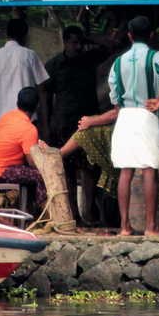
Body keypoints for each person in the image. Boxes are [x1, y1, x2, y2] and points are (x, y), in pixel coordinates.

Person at [43, 22, 124, 223]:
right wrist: (46, 125)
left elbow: (112, 45)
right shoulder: (54, 65)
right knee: (67, 170)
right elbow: (44, 96)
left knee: (90, 167)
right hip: (64, 123)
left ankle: (90, 212)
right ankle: (73, 215)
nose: (77, 47)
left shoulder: (89, 58)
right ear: (64, 42)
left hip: (88, 123)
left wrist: (88, 39)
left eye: (80, 42)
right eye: (73, 43)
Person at [106, 16, 159, 235]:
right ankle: (151, 227)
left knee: (126, 170)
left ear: (129, 35)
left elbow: (113, 90)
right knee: (149, 170)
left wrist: (119, 110)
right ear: (152, 34)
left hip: (125, 115)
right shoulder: (155, 56)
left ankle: (125, 227)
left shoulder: (119, 60)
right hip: (146, 114)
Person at [0, 17, 50, 135]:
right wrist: (45, 123)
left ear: (6, 35)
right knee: (26, 150)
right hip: (26, 118)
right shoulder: (30, 55)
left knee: (5, 152)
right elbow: (42, 90)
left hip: (0, 120)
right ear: (25, 36)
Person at [0, 86, 48, 212]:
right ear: (38, 106)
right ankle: (50, 216)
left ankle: (22, 215)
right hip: (2, 171)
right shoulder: (29, 129)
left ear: (17, 103)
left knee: (29, 177)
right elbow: (33, 162)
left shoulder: (6, 117)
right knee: (41, 176)